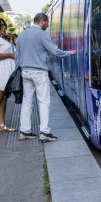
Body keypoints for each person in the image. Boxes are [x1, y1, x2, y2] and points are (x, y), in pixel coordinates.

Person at [16, 13, 76, 142]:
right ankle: (44, 132)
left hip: (25, 71)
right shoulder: (42, 34)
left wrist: (19, 70)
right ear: (42, 21)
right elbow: (54, 51)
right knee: (43, 101)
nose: (48, 25)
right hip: (39, 72)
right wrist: (69, 53)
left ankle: (24, 131)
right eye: (47, 22)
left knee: (27, 101)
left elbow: (17, 56)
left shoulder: (22, 34)